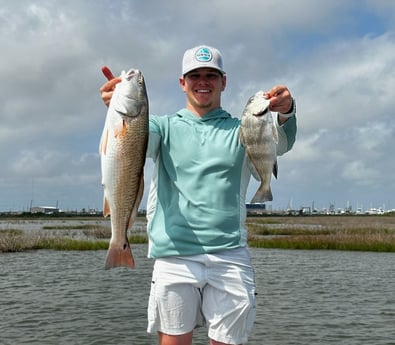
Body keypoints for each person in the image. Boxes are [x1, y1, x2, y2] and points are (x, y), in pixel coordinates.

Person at [100, 45, 297, 345]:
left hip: (230, 253)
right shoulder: (161, 127)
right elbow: (130, 141)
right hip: (174, 255)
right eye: (194, 75)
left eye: (211, 75)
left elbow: (280, 145)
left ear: (223, 82)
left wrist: (286, 112)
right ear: (182, 82)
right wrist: (116, 107)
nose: (202, 81)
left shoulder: (242, 127)